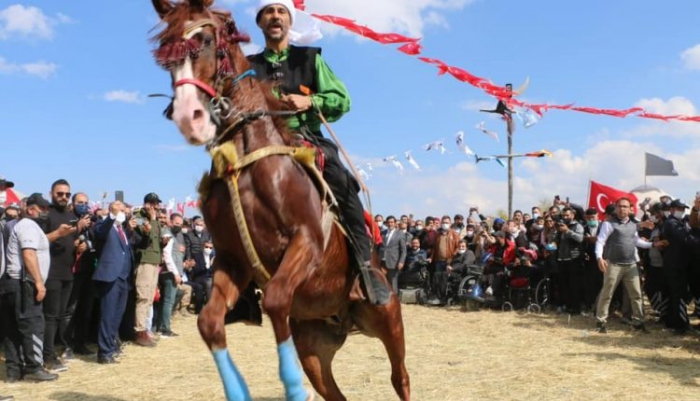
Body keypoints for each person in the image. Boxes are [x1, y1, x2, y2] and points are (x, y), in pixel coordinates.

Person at [249, 0, 387, 304]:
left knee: (342, 181)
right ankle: (242, 285)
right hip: (260, 144)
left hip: (305, 136)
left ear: (289, 20)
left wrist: (309, 102)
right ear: (260, 22)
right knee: (226, 187)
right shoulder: (247, 66)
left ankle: (367, 268)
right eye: (268, 11)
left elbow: (342, 99)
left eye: (281, 11)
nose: (275, 16)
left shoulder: (311, 59)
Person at [1, 193, 58, 382]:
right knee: (33, 325)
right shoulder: (28, 226)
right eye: (42, 208)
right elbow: (28, 254)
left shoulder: (28, 227)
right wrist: (39, 282)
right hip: (23, 283)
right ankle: (34, 368)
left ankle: (14, 371)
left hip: (13, 283)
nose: (45, 212)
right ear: (31, 208)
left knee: (12, 329)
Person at [42, 179, 91, 371]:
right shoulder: (46, 214)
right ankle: (47, 356)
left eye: (66, 194)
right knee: (50, 317)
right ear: (51, 193)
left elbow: (71, 242)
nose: (63, 197)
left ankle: (55, 351)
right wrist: (58, 234)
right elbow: (36, 241)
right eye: (59, 193)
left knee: (60, 315)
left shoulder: (71, 216)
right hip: (50, 272)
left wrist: (79, 246)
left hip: (68, 273)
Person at [594, 197, 652, 334]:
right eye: (619, 206)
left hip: (631, 265)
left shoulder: (633, 225)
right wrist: (599, 258)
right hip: (613, 264)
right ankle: (601, 322)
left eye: (625, 206)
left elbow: (637, 241)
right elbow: (600, 242)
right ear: (615, 208)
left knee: (636, 295)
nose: (622, 209)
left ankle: (638, 322)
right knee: (607, 294)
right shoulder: (608, 224)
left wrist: (652, 245)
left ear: (630, 209)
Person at [93, 201, 136, 363]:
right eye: (121, 210)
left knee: (117, 315)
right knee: (108, 315)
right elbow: (100, 232)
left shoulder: (122, 230)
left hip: (124, 278)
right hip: (110, 277)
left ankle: (111, 346)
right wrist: (111, 215)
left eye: (125, 211)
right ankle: (104, 352)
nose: (123, 213)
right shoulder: (104, 226)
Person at [133, 193, 163, 347]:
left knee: (150, 298)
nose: (156, 207)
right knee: (143, 297)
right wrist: (151, 219)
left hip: (154, 262)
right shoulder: (137, 216)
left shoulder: (156, 219)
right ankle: (139, 331)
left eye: (157, 204)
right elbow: (146, 237)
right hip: (144, 261)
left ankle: (146, 329)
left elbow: (157, 240)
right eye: (153, 204)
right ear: (147, 204)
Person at [380, 216, 406, 292]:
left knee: (392, 282)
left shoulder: (400, 233)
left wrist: (401, 261)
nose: (390, 224)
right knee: (382, 281)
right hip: (382, 261)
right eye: (388, 222)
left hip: (393, 262)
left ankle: (394, 300)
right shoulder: (383, 233)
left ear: (395, 223)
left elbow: (403, 250)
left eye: (392, 222)